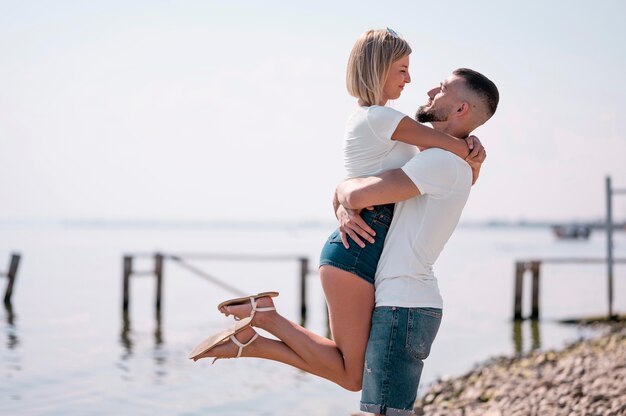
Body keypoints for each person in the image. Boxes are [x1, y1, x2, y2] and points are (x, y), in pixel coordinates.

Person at [188, 29, 484, 394]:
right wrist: (470, 147)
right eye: (402, 69)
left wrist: (468, 157)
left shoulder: (379, 119)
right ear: (379, 69)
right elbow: (445, 148)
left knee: (350, 374)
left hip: (363, 244)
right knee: (352, 376)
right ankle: (264, 321)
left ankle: (254, 339)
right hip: (357, 249)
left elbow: (431, 180)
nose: (409, 79)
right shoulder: (380, 118)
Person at [336, 67, 499, 415]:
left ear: (460, 110)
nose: (428, 91)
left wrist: (340, 191)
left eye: (441, 89)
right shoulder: (441, 160)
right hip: (405, 302)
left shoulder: (439, 162)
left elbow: (358, 193)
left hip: (403, 304)